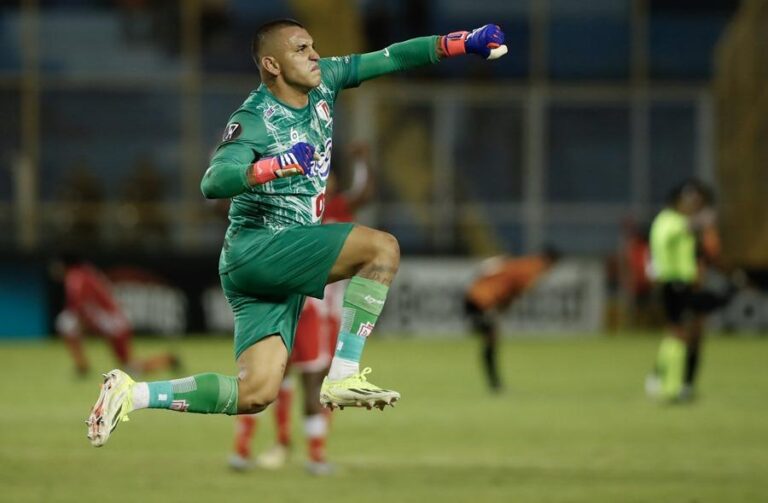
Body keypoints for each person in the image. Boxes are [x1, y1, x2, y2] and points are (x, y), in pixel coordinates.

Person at [86, 18, 508, 447]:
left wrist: (461, 43)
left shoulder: (325, 82)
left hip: (268, 260)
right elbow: (213, 181)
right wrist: (276, 164)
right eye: (301, 49)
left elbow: (393, 57)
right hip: (260, 248)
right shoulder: (254, 117)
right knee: (382, 250)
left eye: (313, 46)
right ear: (271, 64)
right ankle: (342, 375)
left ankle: (133, 393)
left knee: (256, 393)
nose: (314, 55)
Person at [228, 146, 373, 475]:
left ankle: (270, 446)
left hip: (300, 307)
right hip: (307, 310)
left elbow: (363, 195)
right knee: (296, 379)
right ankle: (307, 453)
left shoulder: (323, 206)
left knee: (275, 379)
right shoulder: (308, 206)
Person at [645, 180, 735, 402]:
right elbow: (679, 232)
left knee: (691, 333)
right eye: (689, 201)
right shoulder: (668, 220)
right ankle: (662, 380)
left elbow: (696, 251)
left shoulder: (681, 222)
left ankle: (682, 384)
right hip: (674, 284)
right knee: (679, 333)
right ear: (677, 201)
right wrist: (700, 221)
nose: (692, 206)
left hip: (687, 284)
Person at [51, 255, 179, 377]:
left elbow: (78, 303)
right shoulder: (85, 272)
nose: (56, 268)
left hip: (112, 323)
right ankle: (82, 366)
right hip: (110, 320)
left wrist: (83, 323)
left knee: (130, 369)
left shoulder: (75, 276)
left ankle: (167, 360)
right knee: (67, 323)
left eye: (58, 264)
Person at [464, 248, 560, 392]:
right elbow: (515, 292)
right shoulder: (533, 270)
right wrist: (502, 309)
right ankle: (495, 385)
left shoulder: (523, 263)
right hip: (483, 300)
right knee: (491, 338)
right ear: (550, 262)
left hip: (475, 295)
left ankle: (495, 384)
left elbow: (488, 267)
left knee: (491, 338)